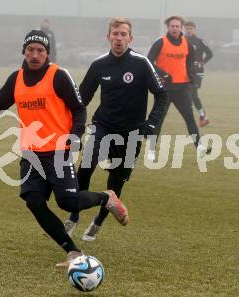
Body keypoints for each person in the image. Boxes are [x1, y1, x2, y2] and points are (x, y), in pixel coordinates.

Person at [0, 30, 129, 268]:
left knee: (68, 202)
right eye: (31, 50)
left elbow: (79, 109)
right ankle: (73, 252)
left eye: (40, 50)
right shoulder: (16, 79)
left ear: (47, 53)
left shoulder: (58, 75)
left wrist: (74, 136)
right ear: (24, 52)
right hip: (31, 153)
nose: (35, 55)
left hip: (58, 150)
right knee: (34, 202)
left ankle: (106, 198)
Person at [64, 17, 169, 241]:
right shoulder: (99, 65)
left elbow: (162, 94)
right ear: (108, 36)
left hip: (131, 132)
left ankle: (98, 222)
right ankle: (74, 215)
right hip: (102, 126)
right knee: (84, 170)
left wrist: (151, 124)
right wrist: (72, 125)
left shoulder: (141, 63)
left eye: (123, 34)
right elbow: (81, 98)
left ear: (130, 38)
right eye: (115, 34)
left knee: (116, 181)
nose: (119, 38)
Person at [147, 15, 209, 156]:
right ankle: (151, 150)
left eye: (177, 26)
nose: (175, 28)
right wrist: (162, 74)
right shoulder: (160, 42)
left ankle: (199, 147)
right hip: (164, 89)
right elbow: (149, 62)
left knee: (189, 117)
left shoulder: (186, 43)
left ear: (181, 28)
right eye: (172, 26)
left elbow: (190, 62)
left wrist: (191, 78)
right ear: (168, 27)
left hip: (182, 88)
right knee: (159, 119)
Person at [184, 21, 213, 127]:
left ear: (194, 29)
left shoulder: (200, 41)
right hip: (186, 71)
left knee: (192, 93)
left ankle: (202, 116)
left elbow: (210, 54)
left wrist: (203, 62)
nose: (189, 30)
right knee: (190, 94)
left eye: (191, 28)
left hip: (197, 72)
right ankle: (202, 117)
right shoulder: (182, 40)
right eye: (187, 28)